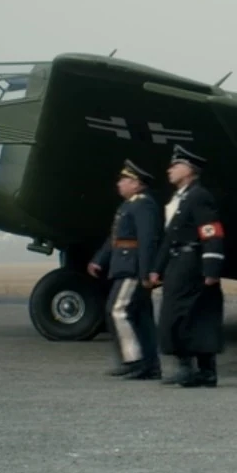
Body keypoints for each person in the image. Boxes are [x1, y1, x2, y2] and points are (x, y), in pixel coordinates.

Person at [152, 145, 226, 388]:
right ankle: (198, 371)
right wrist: (157, 268)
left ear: (189, 170)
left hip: (191, 264)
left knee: (185, 315)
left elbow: (211, 232)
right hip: (178, 263)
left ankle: (195, 370)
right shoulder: (181, 198)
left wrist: (211, 268)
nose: (169, 170)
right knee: (182, 316)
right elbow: (170, 237)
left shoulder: (199, 196)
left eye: (175, 165)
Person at [88, 160, 165, 380]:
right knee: (141, 317)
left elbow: (147, 240)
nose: (119, 183)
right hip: (126, 265)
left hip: (132, 268)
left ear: (137, 184)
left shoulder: (143, 205)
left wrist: (145, 272)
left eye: (124, 180)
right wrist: (99, 260)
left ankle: (134, 360)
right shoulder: (129, 206)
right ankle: (149, 365)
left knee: (117, 310)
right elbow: (115, 238)